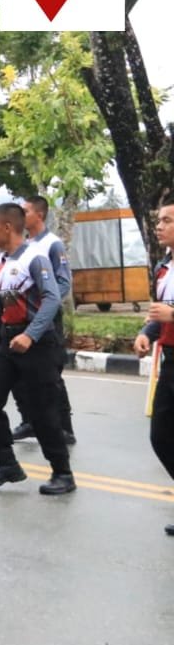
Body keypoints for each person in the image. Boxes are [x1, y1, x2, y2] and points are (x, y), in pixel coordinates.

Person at [0, 204, 75, 494]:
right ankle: (6, 463)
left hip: (37, 344)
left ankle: (63, 472)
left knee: (42, 411)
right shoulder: (5, 261)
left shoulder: (36, 257)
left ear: (7, 227)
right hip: (9, 343)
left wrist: (31, 335)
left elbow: (52, 299)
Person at [11, 196, 76, 444]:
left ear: (39, 214)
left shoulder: (52, 244)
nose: (20, 215)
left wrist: (44, 306)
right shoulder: (24, 244)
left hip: (47, 318)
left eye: (25, 211)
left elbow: (63, 283)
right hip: (24, 319)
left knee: (51, 374)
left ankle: (65, 427)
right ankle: (29, 421)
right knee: (20, 372)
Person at [133, 202, 174, 537]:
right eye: (159, 220)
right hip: (170, 359)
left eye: (167, 221)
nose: (159, 226)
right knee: (160, 435)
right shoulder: (164, 266)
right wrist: (146, 333)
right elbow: (157, 312)